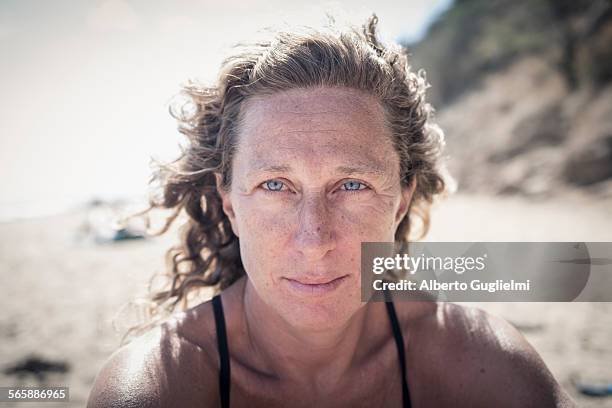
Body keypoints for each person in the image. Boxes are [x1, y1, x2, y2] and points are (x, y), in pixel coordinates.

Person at [87, 14, 576, 408]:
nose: (315, 238)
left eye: (351, 185)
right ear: (229, 202)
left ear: (401, 200)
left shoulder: (479, 366)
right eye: (275, 184)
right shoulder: (160, 388)